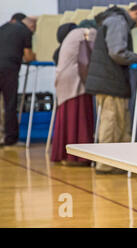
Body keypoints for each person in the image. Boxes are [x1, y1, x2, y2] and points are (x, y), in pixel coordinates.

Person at [85, 4, 137, 174]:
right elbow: (117, 52)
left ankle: (118, 163)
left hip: (108, 80)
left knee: (118, 122)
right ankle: (105, 165)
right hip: (110, 80)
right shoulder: (118, 21)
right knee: (111, 123)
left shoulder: (113, 20)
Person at [51, 21, 97, 165]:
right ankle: (79, 157)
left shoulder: (71, 36)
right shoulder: (88, 33)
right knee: (78, 117)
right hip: (76, 80)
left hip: (63, 79)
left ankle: (64, 154)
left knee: (66, 118)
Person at [0, 17, 37, 149]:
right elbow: (28, 56)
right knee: (10, 103)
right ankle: (10, 140)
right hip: (8, 69)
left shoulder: (1, 28)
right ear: (31, 26)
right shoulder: (25, 32)